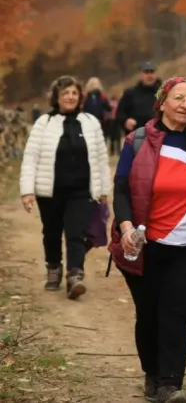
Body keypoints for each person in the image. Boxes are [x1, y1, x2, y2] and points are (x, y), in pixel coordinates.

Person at [108, 76, 186, 403]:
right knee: (149, 315)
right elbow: (121, 189)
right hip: (146, 246)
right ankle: (152, 373)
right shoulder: (138, 140)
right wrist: (127, 227)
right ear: (162, 102)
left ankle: (170, 382)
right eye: (179, 98)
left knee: (177, 314)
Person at [19, 75, 111, 299]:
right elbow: (31, 157)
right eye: (65, 93)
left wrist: (103, 190)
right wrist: (27, 190)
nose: (70, 97)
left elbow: (100, 157)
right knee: (51, 232)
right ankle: (53, 268)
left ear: (80, 96)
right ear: (57, 97)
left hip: (81, 190)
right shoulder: (44, 123)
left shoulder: (90, 122)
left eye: (74, 93)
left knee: (76, 233)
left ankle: (74, 275)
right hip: (49, 191)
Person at [117, 61, 162, 135]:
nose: (149, 75)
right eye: (146, 72)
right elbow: (120, 113)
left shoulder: (164, 93)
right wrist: (125, 121)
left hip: (160, 135)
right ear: (141, 75)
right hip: (137, 136)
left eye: (152, 72)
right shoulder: (130, 93)